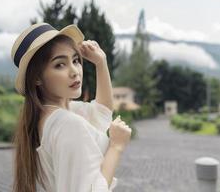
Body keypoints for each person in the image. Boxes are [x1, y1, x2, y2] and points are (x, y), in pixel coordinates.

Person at [11, 22, 132, 192]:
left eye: (75, 60)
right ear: (36, 78)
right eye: (60, 64)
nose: (75, 71)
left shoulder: (45, 115)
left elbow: (101, 113)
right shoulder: (67, 123)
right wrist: (116, 146)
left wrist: (100, 63)